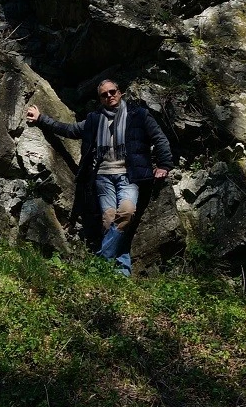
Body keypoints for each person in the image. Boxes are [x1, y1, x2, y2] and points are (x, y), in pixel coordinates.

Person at [25, 79, 172, 277]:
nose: (109, 96)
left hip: (129, 176)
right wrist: (42, 118)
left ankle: (101, 262)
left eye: (112, 92)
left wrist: (164, 165)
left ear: (120, 93)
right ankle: (122, 271)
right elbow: (70, 130)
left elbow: (159, 138)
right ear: (100, 99)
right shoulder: (94, 120)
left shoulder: (139, 115)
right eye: (104, 94)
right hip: (103, 177)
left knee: (126, 214)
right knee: (108, 221)